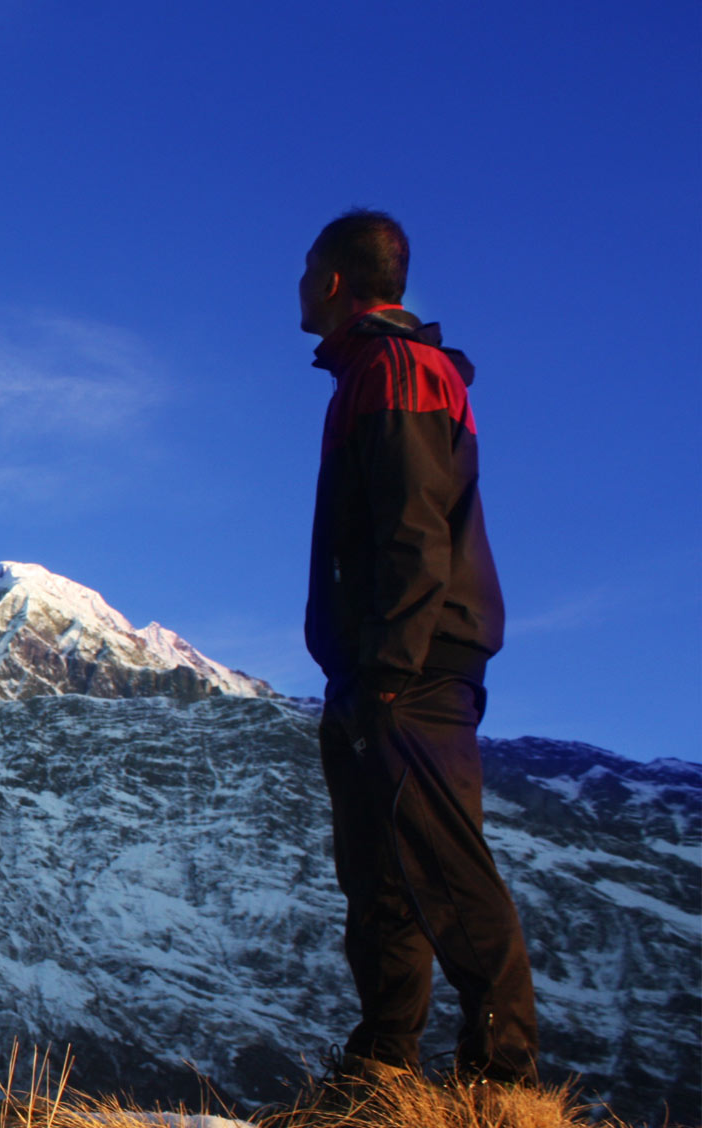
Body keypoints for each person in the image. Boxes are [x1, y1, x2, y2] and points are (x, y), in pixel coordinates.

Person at [298, 210, 538, 1092]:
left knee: (441, 860)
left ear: (332, 281)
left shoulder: (399, 372)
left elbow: (413, 527)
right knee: (379, 872)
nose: (295, 286)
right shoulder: (371, 372)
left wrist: (390, 670)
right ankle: (384, 1070)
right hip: (378, 664)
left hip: (414, 663)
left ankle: (504, 1080)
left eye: (303, 269)